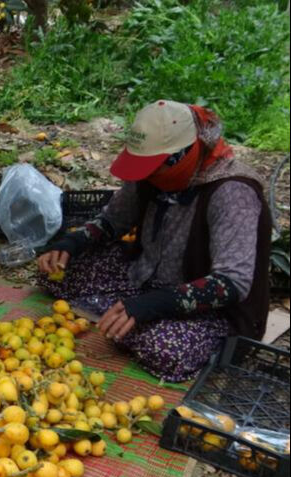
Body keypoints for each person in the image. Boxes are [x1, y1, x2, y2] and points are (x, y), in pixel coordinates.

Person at [36, 100, 271, 382]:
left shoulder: (231, 192)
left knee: (162, 348)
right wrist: (71, 244)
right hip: (145, 277)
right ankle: (130, 314)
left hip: (207, 309)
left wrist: (152, 305)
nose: (146, 177)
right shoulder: (150, 173)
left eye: (152, 170)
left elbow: (232, 283)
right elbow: (114, 221)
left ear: (181, 157)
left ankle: (200, 343)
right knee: (55, 273)